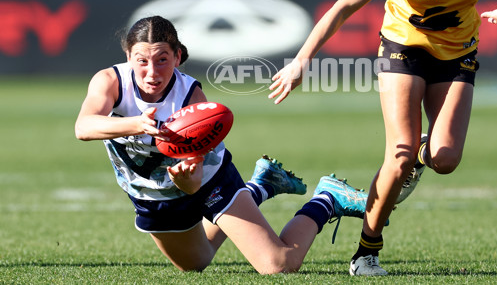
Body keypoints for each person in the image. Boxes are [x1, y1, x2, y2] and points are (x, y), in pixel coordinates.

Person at [268, 0, 497, 276]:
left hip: (458, 52)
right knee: (398, 157)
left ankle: (425, 150)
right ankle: (366, 252)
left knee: (446, 159)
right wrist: (302, 60)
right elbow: (346, 4)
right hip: (405, 46)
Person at [75, 15, 370, 274]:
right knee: (195, 263)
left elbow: (193, 185)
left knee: (279, 264)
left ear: (177, 57)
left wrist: (185, 177)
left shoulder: (190, 96)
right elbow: (84, 126)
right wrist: (138, 123)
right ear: (129, 57)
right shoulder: (110, 81)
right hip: (151, 196)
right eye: (142, 60)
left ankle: (327, 199)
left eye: (162, 59)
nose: (152, 72)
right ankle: (261, 186)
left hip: (210, 181)